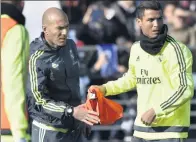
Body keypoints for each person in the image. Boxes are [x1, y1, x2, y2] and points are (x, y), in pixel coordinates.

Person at [88, 1, 194, 142]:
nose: (156, 24)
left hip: (170, 132)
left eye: (159, 18)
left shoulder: (178, 50)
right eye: (150, 20)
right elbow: (131, 79)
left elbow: (185, 88)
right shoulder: (136, 48)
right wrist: (104, 89)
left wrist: (157, 110)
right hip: (141, 130)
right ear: (139, 22)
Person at [26, 7, 100, 142]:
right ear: (45, 29)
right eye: (59, 28)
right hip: (49, 131)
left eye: (66, 27)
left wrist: (84, 116)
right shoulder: (36, 57)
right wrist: (71, 111)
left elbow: (75, 85)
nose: (65, 33)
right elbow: (38, 100)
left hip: (74, 129)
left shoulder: (71, 46)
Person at [1, 1, 30, 142]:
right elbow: (13, 81)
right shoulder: (14, 29)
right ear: (22, 3)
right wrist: (19, 132)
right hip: (8, 130)